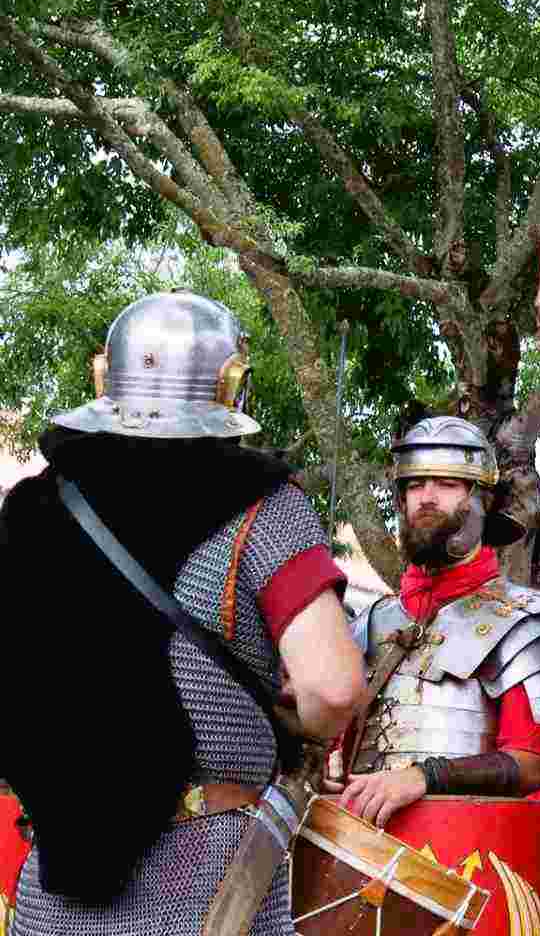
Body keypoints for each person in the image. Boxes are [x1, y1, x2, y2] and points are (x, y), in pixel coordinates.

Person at [2, 291, 364, 934]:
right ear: (232, 384)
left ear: (104, 377)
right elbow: (333, 690)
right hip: (204, 872)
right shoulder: (264, 506)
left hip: (55, 879)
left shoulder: (30, 510)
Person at [331, 415, 540, 826]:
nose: (426, 497)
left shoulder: (525, 623)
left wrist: (425, 777)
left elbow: (532, 762)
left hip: (462, 856)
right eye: (414, 484)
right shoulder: (364, 625)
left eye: (447, 484)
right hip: (355, 845)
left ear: (484, 499)